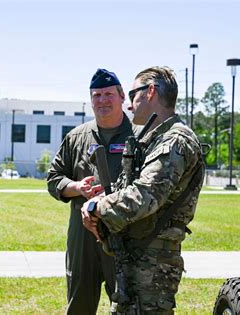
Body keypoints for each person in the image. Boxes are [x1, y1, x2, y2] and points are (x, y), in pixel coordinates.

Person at [81, 66, 205, 314]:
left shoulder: (174, 140)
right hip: (137, 257)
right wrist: (102, 207)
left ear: (150, 92)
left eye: (132, 93)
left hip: (153, 265)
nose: (128, 104)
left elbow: (145, 195)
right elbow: (131, 188)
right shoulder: (153, 138)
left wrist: (97, 206)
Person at [47, 69, 137, 315]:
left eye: (108, 94)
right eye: (96, 95)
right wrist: (76, 188)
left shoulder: (138, 136)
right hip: (83, 236)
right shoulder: (77, 137)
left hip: (124, 234)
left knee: (126, 304)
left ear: (121, 97)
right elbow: (53, 179)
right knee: (79, 304)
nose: (102, 101)